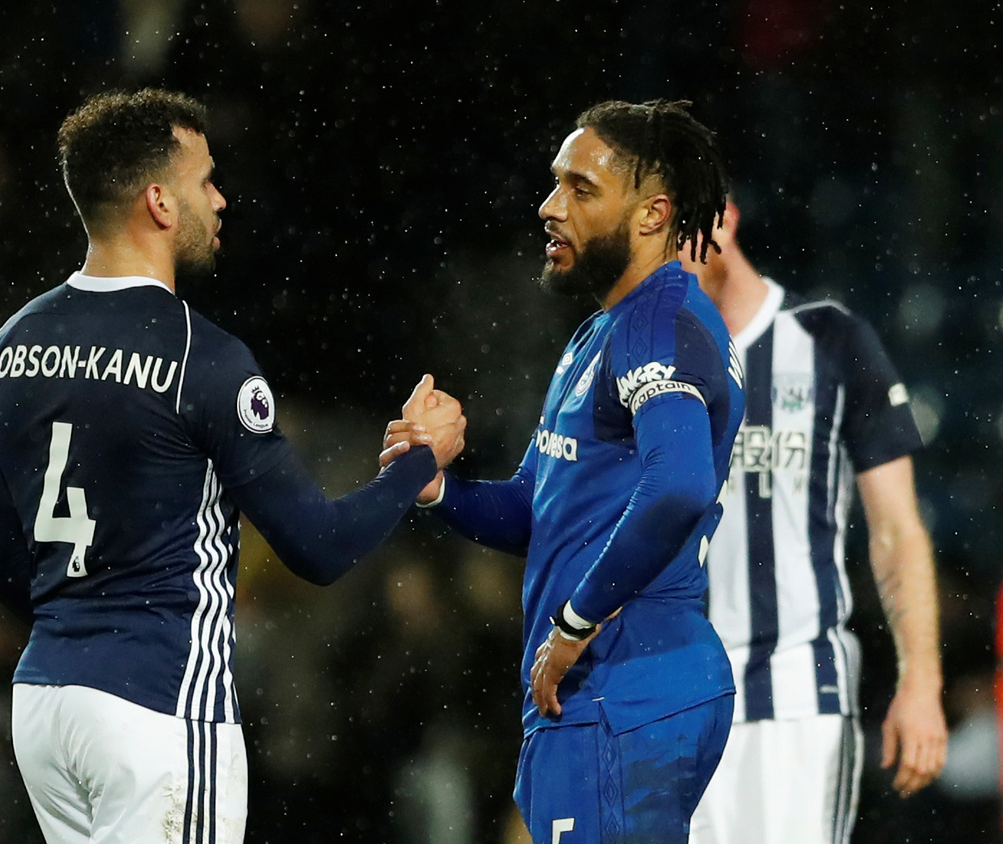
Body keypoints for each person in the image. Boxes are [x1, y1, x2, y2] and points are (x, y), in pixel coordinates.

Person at [0, 88, 465, 844]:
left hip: (44, 703)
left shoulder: (8, 348)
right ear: (160, 201)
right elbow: (319, 547)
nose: (221, 198)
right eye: (205, 180)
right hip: (159, 703)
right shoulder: (202, 358)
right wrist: (416, 464)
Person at [383, 99, 745, 843]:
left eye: (581, 189)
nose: (550, 207)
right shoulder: (603, 333)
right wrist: (440, 489)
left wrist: (576, 623)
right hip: (620, 692)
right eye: (555, 183)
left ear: (652, 215)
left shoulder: (658, 326)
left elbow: (679, 485)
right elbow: (537, 508)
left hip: (624, 685)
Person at [680, 201, 948, 844]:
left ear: (723, 220)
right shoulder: (649, 358)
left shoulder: (830, 338)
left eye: (674, 238)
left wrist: (921, 681)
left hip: (797, 699)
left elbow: (897, 530)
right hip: (676, 699)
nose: (662, 263)